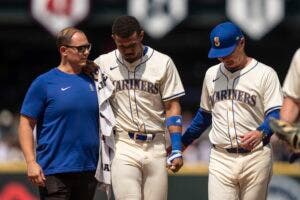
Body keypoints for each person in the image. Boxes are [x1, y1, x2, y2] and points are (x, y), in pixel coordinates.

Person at [181, 21, 283, 200]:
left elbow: (276, 113)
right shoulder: (211, 74)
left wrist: (261, 132)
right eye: (220, 55)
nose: (224, 58)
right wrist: (181, 143)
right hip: (221, 157)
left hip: (256, 157)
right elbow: (204, 115)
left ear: (241, 43)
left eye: (228, 52)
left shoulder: (265, 74)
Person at [94, 15, 185, 200]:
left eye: (131, 45)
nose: (127, 50)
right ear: (114, 39)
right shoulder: (102, 63)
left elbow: (172, 107)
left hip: (156, 144)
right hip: (123, 144)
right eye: (122, 45)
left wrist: (176, 147)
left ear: (141, 36)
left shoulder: (162, 62)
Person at [18, 27, 99, 200]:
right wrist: (31, 162)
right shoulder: (44, 82)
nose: (86, 52)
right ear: (64, 50)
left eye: (88, 47)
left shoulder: (96, 80)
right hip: (54, 171)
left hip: (89, 170)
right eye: (80, 48)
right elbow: (25, 123)